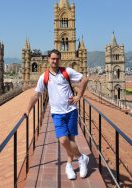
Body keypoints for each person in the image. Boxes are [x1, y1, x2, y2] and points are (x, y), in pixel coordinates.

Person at [25, 49, 89, 180]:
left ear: (59, 59)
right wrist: (28, 109)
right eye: (52, 58)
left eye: (56, 59)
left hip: (71, 110)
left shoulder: (67, 71)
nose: (54, 61)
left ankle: (69, 165)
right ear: (48, 59)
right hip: (57, 113)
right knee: (63, 140)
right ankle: (82, 158)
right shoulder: (44, 77)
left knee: (71, 140)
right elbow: (36, 94)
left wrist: (79, 96)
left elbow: (84, 79)